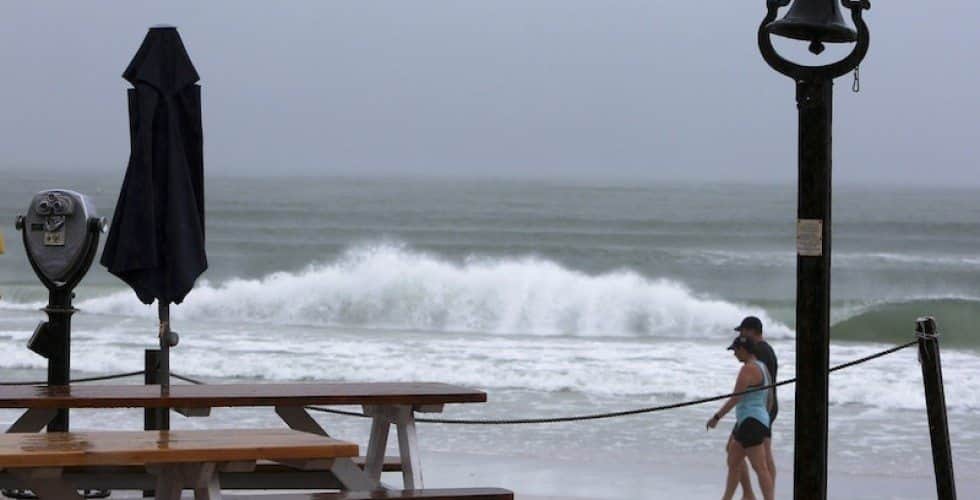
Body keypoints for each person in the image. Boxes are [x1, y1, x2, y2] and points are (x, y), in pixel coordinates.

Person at [707, 334, 775, 500]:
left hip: (752, 422)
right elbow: (770, 396)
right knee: (733, 461)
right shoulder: (762, 367)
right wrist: (765, 418)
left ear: (743, 349)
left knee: (760, 467)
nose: (734, 354)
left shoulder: (748, 369)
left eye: (735, 350)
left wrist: (717, 417)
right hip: (754, 420)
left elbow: (736, 397)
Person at [735, 316, 778, 494]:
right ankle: (760, 494)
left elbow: (761, 384)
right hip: (767, 406)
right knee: (764, 457)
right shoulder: (768, 349)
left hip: (760, 408)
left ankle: (750, 494)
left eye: (743, 331)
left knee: (757, 459)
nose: (741, 336)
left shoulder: (758, 352)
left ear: (751, 331)